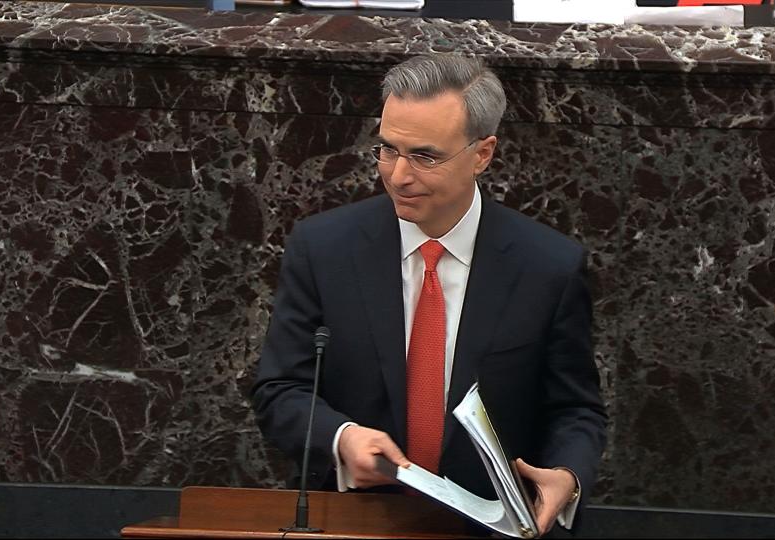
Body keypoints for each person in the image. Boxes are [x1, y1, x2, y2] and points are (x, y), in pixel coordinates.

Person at [252, 54, 607, 534]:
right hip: (354, 522)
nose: (398, 175)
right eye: (387, 149)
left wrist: (567, 476)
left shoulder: (547, 266)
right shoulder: (323, 249)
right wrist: (341, 438)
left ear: (482, 153)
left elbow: (575, 409)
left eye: (424, 156)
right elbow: (280, 389)